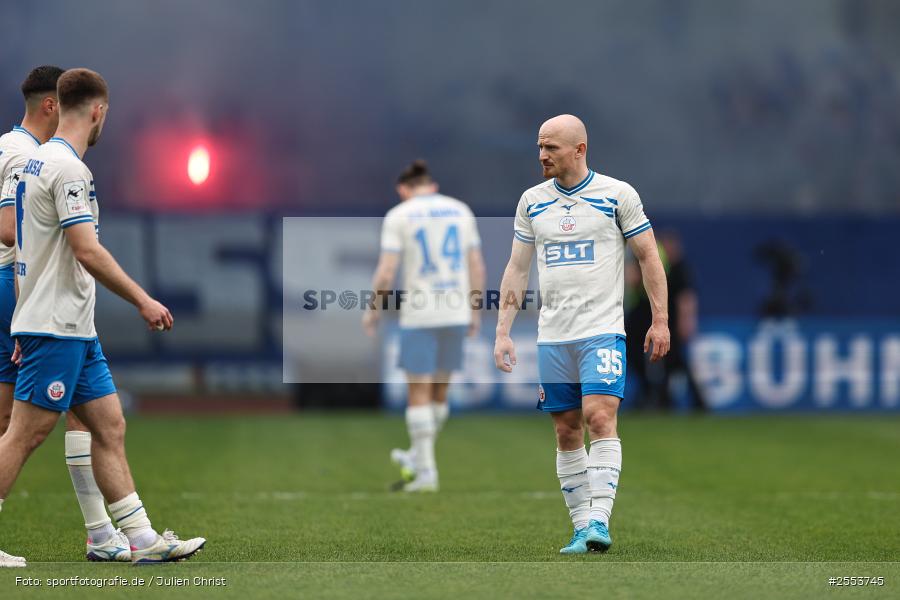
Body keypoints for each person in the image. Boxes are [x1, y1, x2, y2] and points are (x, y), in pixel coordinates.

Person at [0, 68, 205, 565]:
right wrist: (142, 299)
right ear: (97, 111)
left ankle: (139, 538)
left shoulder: (33, 163)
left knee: (108, 425)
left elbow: (20, 245)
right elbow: (87, 251)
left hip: (67, 324)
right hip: (56, 323)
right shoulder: (69, 169)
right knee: (25, 434)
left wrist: (19, 319)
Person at [493, 115, 669, 554]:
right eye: (539, 147)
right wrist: (503, 332)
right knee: (567, 431)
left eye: (550, 147)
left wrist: (660, 318)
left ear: (579, 149)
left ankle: (599, 522)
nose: (541, 156)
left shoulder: (616, 195)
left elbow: (648, 257)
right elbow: (516, 268)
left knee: (599, 417)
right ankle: (580, 528)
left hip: (602, 331)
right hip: (554, 336)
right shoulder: (532, 202)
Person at [0, 65, 131, 566]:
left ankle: (110, 533)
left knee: (92, 418)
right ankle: (103, 533)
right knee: (21, 426)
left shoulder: (33, 156)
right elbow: (11, 233)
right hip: (30, 295)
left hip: (34, 297)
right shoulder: (28, 156)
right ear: (53, 104)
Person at [364, 160, 485, 492]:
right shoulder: (460, 210)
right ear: (432, 186)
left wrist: (374, 308)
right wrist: (474, 310)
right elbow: (476, 264)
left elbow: (387, 271)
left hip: (420, 314)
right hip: (456, 311)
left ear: (403, 190)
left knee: (418, 393)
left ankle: (425, 472)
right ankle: (419, 459)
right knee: (439, 395)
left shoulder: (400, 215)